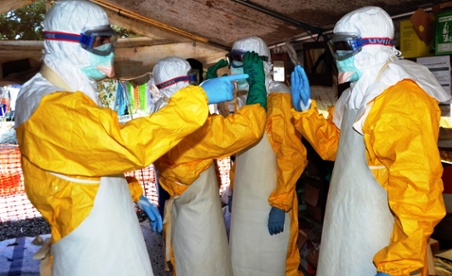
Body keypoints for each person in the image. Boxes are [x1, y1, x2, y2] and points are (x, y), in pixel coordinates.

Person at [13, 1, 246, 275]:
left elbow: (90, 160)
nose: (109, 62)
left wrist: (133, 193)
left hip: (106, 230)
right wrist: (200, 98)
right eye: (99, 43)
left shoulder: (63, 93)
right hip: (92, 251)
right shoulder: (48, 105)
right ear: (64, 41)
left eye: (110, 42)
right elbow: (122, 145)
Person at [290, 6, 451, 276]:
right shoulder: (353, 95)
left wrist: (398, 263)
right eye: (335, 46)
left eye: (344, 46)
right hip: (344, 226)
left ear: (372, 47)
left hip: (381, 238)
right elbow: (333, 147)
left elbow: (418, 191)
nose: (338, 56)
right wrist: (305, 112)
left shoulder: (400, 100)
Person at [151, 55, 267, 276]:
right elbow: (245, 130)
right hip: (198, 219)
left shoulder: (162, 111)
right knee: (205, 266)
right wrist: (257, 87)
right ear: (185, 82)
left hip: (183, 212)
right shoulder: (189, 127)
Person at [224, 36, 307, 276]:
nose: (235, 67)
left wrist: (280, 203)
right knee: (241, 261)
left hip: (269, 199)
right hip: (245, 202)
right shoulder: (244, 100)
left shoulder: (278, 97)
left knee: (273, 263)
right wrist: (233, 191)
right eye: (234, 60)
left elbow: (291, 154)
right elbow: (239, 154)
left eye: (242, 60)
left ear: (260, 64)